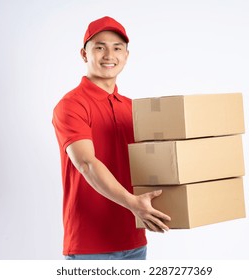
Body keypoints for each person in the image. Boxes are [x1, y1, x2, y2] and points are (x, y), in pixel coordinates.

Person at [52, 16, 171, 260]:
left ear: (126, 55)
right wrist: (133, 203)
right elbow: (86, 163)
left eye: (117, 48)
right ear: (84, 54)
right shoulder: (71, 105)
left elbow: (156, 162)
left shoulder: (133, 108)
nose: (109, 55)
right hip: (89, 245)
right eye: (100, 47)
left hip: (135, 238)